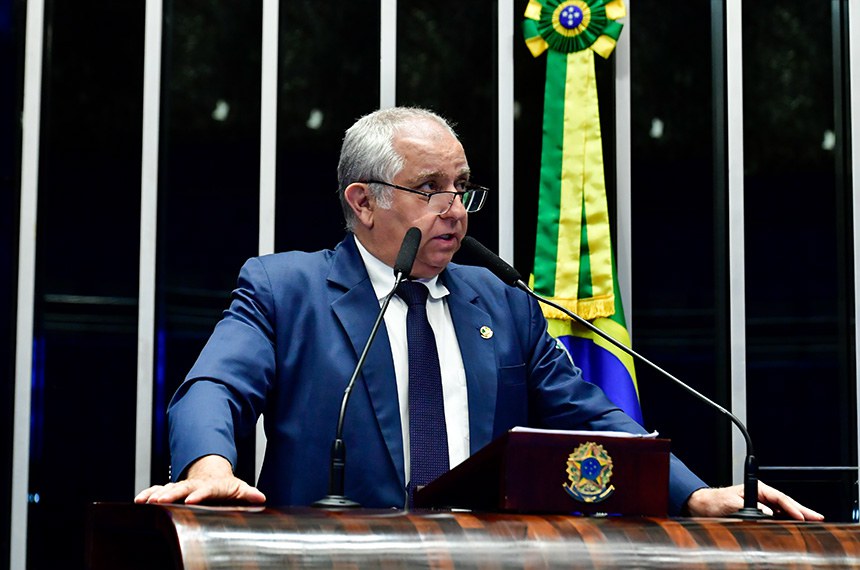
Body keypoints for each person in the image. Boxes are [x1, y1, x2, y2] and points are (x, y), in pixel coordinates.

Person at [136, 107, 822, 520]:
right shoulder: (287, 289)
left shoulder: (503, 301)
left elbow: (593, 418)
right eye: (428, 189)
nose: (455, 210)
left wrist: (692, 495)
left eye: (461, 188)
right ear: (364, 201)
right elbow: (215, 387)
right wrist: (208, 470)